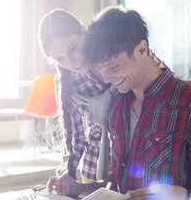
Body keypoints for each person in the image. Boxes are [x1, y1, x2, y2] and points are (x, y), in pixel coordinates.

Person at [49, 6, 191, 200]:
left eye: (113, 66)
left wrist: (180, 197)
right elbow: (121, 188)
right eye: (101, 68)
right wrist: (80, 189)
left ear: (142, 49)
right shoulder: (117, 106)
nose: (106, 78)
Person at [38, 9, 167, 186]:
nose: (71, 62)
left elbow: (166, 84)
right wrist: (65, 174)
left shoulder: (115, 49)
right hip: (94, 166)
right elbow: (76, 139)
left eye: (73, 48)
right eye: (60, 59)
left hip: (137, 157)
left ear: (83, 31)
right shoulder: (67, 81)